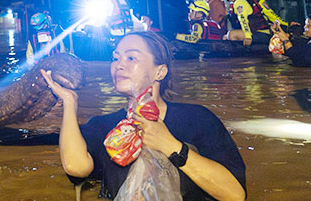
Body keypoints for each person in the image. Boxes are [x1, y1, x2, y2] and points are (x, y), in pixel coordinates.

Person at [41, 32, 246, 200]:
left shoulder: (197, 119)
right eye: (115, 58)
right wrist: (69, 103)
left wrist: (169, 145)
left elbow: (234, 194)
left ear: (160, 72)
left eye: (131, 57)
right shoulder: (103, 125)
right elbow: (77, 167)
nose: (119, 65)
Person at [222, 0, 286, 47]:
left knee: (232, 34)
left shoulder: (247, 1)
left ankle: (244, 54)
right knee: (226, 36)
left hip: (261, 33)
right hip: (256, 32)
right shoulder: (236, 3)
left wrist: (247, 37)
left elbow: (243, 20)